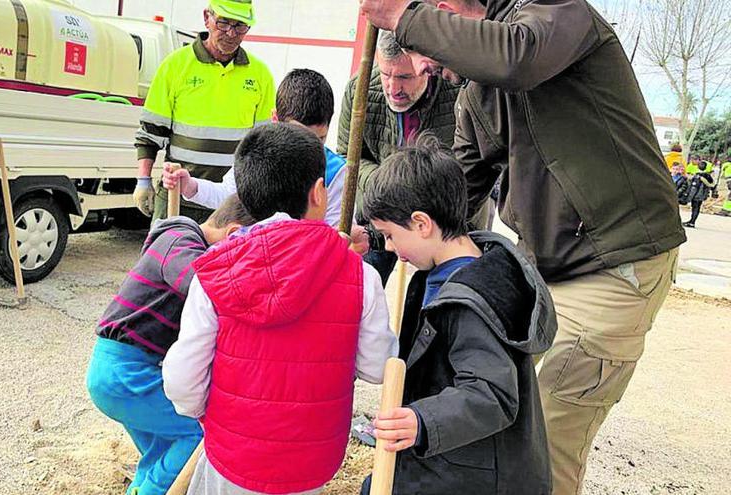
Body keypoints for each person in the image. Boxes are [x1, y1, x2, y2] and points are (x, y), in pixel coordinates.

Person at [359, 1, 685, 493]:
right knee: (500, 426)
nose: (424, 66)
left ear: (446, 8)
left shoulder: (551, 13)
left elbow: (516, 58)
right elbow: (450, 192)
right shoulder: (475, 92)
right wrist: (380, 243)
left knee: (543, 448)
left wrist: (402, 15)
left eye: (424, 48)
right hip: (552, 269)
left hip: (612, 268)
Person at [163, 123, 399, 495]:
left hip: (232, 456)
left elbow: (182, 380)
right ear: (320, 193)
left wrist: (207, 417)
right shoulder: (361, 276)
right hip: (311, 464)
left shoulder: (214, 271)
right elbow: (375, 368)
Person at [358, 143, 556, 494]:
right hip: (451, 455)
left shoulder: (469, 302)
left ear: (421, 223)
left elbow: (491, 393)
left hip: (473, 473)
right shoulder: (450, 269)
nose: (388, 247)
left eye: (390, 235)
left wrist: (421, 421)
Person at [86, 195, 256, 495]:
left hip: (123, 370)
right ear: (233, 235)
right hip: (125, 372)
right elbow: (204, 286)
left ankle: (143, 487)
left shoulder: (180, 241)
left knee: (163, 450)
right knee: (193, 434)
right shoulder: (179, 241)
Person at [133, 0, 275, 223]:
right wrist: (143, 180)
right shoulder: (175, 66)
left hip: (229, 203)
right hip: (177, 195)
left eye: (240, 26)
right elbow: (150, 133)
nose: (231, 32)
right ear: (206, 18)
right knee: (166, 257)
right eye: (224, 23)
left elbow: (262, 145)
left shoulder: (260, 75)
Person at [338, 30, 459, 284]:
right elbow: (349, 159)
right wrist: (391, 190)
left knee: (447, 296)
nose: (393, 88)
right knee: (356, 287)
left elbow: (470, 167)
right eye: (385, 74)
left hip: (445, 223)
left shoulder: (458, 93)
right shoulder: (359, 91)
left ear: (425, 66)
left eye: (404, 77)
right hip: (380, 219)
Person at [161, 69, 348, 228]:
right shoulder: (258, 153)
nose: (307, 149)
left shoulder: (335, 171)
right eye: (297, 136)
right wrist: (191, 186)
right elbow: (230, 195)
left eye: (319, 139)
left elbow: (334, 228)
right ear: (275, 119)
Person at [683, 161, 717, 228]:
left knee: (695, 208)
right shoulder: (708, 176)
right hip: (702, 195)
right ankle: (692, 221)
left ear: (698, 167)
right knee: (697, 208)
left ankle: (692, 222)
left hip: (695, 194)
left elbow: (692, 186)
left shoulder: (696, 176)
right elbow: (712, 185)